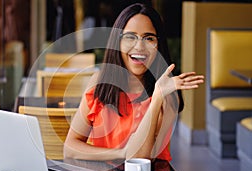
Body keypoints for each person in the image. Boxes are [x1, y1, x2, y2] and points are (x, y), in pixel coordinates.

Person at [64, 3, 204, 161]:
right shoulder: (99, 82)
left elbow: (141, 157)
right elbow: (70, 147)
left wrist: (157, 97)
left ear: (158, 45)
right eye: (130, 37)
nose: (139, 46)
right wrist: (120, 153)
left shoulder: (167, 94)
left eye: (149, 38)